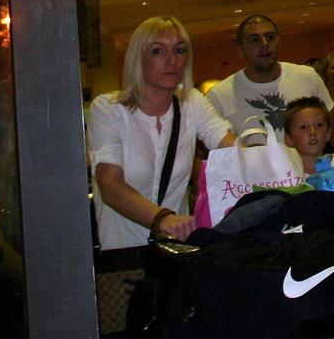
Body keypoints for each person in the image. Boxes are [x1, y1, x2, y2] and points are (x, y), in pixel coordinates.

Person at [89, 16, 235, 250]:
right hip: (122, 257)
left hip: (176, 253)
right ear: (138, 59)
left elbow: (235, 151)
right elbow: (110, 184)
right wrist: (163, 219)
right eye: (158, 51)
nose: (171, 61)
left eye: (179, 50)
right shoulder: (109, 109)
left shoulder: (192, 104)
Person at [205, 14, 334, 183]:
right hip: (257, 192)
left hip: (312, 185)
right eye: (254, 40)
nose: (264, 44)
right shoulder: (219, 96)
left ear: (279, 43)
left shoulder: (307, 77)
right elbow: (206, 156)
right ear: (240, 50)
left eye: (270, 37)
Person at [284, 96, 334, 192]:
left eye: (319, 125)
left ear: (328, 133)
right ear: (289, 139)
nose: (312, 132)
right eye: (303, 127)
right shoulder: (285, 176)